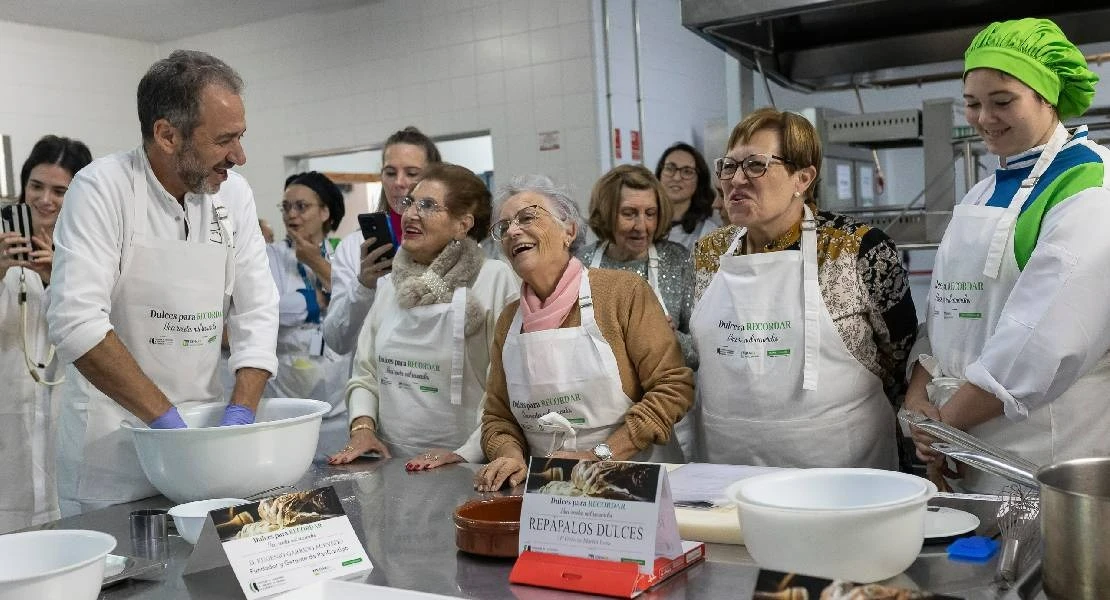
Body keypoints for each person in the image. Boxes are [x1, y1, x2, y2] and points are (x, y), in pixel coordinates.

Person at [47, 50, 279, 514]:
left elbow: (257, 311)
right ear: (167, 135)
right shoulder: (102, 189)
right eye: (224, 140)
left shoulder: (233, 195)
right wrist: (168, 426)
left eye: (240, 137)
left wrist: (239, 416)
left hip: (204, 445)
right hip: (114, 457)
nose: (239, 156)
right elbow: (77, 324)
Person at [906, 18, 1110, 493]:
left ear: (1048, 98)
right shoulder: (981, 193)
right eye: (972, 103)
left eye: (1002, 102)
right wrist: (919, 402)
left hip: (1046, 452)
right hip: (963, 443)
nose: (984, 118)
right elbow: (946, 313)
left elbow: (1045, 342)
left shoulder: (1089, 187)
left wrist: (943, 427)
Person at [692, 107, 917, 469]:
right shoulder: (709, 253)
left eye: (755, 165)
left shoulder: (858, 249)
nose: (736, 179)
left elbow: (900, 356)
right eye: (729, 166)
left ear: (803, 178)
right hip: (728, 466)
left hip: (839, 469)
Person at [475, 175, 693, 492]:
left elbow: (673, 387)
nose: (512, 231)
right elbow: (498, 416)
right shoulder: (509, 319)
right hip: (551, 488)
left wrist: (599, 455)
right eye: (503, 226)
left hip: (635, 482)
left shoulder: (622, 294)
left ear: (569, 231)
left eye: (527, 217)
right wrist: (510, 454)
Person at [328, 163, 517, 470]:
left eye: (428, 205)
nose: (411, 214)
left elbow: (506, 386)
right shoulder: (392, 284)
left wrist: (466, 453)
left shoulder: (494, 279)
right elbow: (365, 374)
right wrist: (362, 428)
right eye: (410, 203)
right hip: (390, 464)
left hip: (468, 465)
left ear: (463, 224)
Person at [0, 135, 91, 532]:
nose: (45, 200)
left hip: (64, 422)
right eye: (36, 186)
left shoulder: (88, 255)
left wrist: (60, 278)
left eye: (59, 191)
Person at [322, 127, 441, 355]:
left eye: (412, 173)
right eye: (390, 172)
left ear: (434, 179)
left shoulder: (451, 243)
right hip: (374, 374)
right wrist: (363, 286)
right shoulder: (355, 247)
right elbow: (337, 341)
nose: (399, 182)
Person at [577, 165, 696, 367]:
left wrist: (672, 337)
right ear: (606, 214)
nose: (641, 226)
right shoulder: (581, 263)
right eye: (629, 213)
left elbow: (701, 354)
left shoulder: (678, 260)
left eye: (650, 214)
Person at [267, 171, 350, 429]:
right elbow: (269, 309)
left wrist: (315, 263)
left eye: (301, 206)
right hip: (286, 395)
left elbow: (356, 302)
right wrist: (317, 300)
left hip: (340, 398)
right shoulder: (271, 255)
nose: (291, 215)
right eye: (286, 207)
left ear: (325, 212)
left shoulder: (343, 253)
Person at [656, 142, 718, 251]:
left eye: (687, 172)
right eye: (670, 168)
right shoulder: (646, 223)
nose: (676, 178)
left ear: (699, 181)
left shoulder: (709, 234)